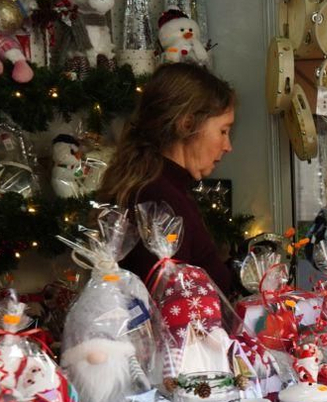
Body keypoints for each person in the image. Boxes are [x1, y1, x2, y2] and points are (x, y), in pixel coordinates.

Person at [100, 61, 240, 295]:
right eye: (223, 131)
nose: (228, 146)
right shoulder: (158, 199)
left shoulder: (160, 188)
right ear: (186, 125)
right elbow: (174, 309)